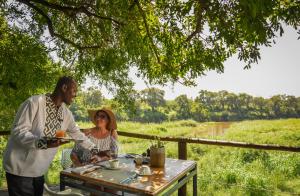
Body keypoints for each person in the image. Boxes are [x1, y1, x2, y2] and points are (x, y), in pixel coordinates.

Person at [3, 76, 96, 196]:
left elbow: (77, 134)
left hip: (39, 171)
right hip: (20, 169)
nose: (75, 95)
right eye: (74, 91)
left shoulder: (66, 113)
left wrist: (95, 150)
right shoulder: (35, 102)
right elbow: (18, 131)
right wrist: (43, 143)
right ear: (64, 87)